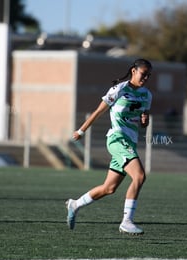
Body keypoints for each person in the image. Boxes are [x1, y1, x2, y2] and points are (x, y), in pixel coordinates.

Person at [65, 58, 153, 235]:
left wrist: (145, 121)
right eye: (143, 74)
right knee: (140, 176)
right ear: (134, 71)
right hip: (117, 139)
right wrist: (81, 131)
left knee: (109, 188)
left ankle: (75, 204)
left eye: (149, 76)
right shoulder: (119, 89)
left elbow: (143, 122)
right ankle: (126, 221)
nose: (145, 78)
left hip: (130, 142)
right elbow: (98, 112)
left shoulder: (147, 95)